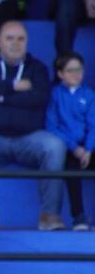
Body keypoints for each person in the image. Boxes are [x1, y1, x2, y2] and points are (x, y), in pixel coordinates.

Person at [0, 21, 66, 230]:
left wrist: (1, 97)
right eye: (9, 38)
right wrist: (14, 87)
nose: (15, 43)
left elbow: (39, 97)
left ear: (27, 42)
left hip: (28, 138)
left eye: (21, 39)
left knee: (55, 145)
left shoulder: (37, 68)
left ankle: (49, 215)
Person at [46, 52, 95, 231]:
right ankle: (79, 217)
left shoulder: (89, 94)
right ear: (60, 74)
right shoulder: (55, 95)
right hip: (69, 148)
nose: (76, 74)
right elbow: (52, 126)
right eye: (71, 70)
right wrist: (75, 148)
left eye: (79, 69)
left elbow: (93, 123)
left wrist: (88, 149)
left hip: (89, 147)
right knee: (71, 170)